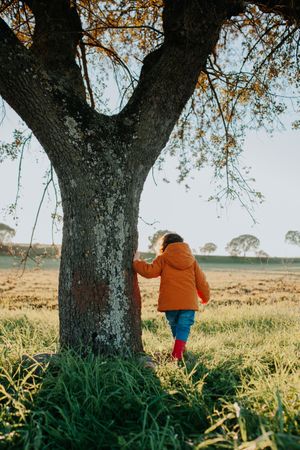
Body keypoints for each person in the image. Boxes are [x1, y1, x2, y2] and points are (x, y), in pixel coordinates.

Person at [133, 233, 210, 361]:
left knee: (175, 326)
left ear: (164, 245)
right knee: (184, 326)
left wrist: (136, 262)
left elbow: (149, 271)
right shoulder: (192, 261)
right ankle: (179, 352)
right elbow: (201, 281)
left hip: (170, 303)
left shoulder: (163, 258)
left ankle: (177, 353)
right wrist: (205, 297)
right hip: (188, 302)